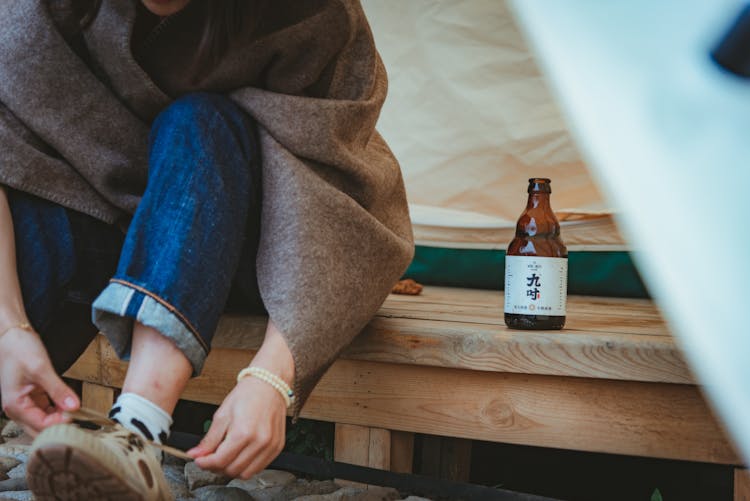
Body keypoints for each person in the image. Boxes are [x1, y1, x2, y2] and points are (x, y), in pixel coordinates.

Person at [0, 0, 413, 498]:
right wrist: (9, 330)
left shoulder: (314, 14)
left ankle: (134, 434)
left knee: (199, 120)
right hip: (104, 217)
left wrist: (271, 376)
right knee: (35, 213)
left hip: (255, 246)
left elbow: (335, 195)